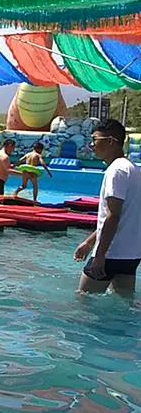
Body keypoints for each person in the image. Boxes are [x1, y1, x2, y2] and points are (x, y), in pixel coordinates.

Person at [75, 119, 141, 297]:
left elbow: (113, 216)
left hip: (111, 253)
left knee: (83, 301)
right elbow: (121, 215)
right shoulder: (134, 170)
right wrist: (89, 242)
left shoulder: (116, 171)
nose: (92, 145)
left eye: (95, 140)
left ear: (111, 141)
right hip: (131, 255)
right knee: (124, 303)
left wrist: (100, 255)